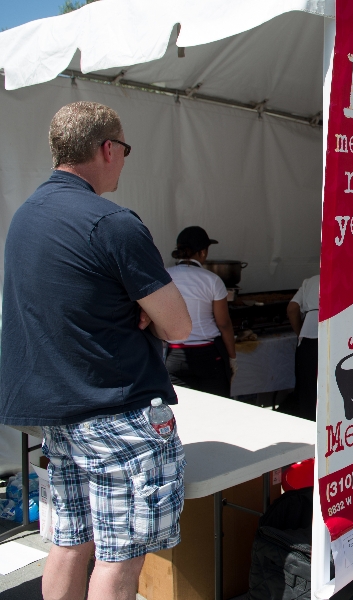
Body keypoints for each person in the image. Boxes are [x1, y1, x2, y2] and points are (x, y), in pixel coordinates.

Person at [0, 102, 192, 600]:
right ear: (108, 148)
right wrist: (144, 309)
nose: (123, 160)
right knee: (118, 560)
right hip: (116, 413)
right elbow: (178, 324)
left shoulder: (25, 217)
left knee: (69, 544)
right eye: (124, 150)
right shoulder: (113, 223)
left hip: (59, 416)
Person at [166, 226, 237, 398]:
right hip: (208, 355)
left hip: (173, 355)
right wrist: (232, 357)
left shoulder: (164, 276)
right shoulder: (212, 280)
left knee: (182, 409)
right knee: (215, 408)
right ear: (203, 252)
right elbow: (224, 323)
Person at [286, 274, 320, 421]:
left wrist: (301, 333)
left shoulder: (311, 281)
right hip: (337, 337)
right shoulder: (351, 278)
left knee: (307, 391)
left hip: (308, 339)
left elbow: (292, 309)